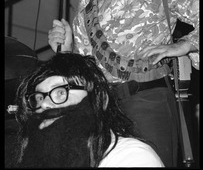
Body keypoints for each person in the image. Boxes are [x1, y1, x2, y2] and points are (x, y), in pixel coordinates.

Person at [48, 0, 199, 167]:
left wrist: (186, 44)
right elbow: (85, 74)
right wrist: (68, 50)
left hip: (149, 99)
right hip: (101, 109)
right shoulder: (87, 3)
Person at [9, 52, 164, 168]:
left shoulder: (132, 158)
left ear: (100, 99)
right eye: (39, 98)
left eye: (61, 92)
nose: (44, 105)